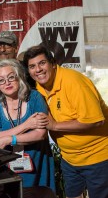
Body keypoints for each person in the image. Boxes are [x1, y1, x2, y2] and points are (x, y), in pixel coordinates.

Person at [23, 45, 108, 198]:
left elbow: (96, 121)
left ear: (53, 64)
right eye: (32, 66)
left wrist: (54, 125)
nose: (38, 69)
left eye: (42, 63)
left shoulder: (74, 82)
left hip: (98, 157)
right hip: (70, 158)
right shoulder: (39, 87)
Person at [0, 58, 55, 192]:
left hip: (37, 158)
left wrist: (9, 139)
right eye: (1, 80)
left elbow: (40, 134)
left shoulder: (34, 97)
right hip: (7, 164)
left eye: (11, 77)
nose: (7, 83)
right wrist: (27, 125)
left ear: (19, 77)